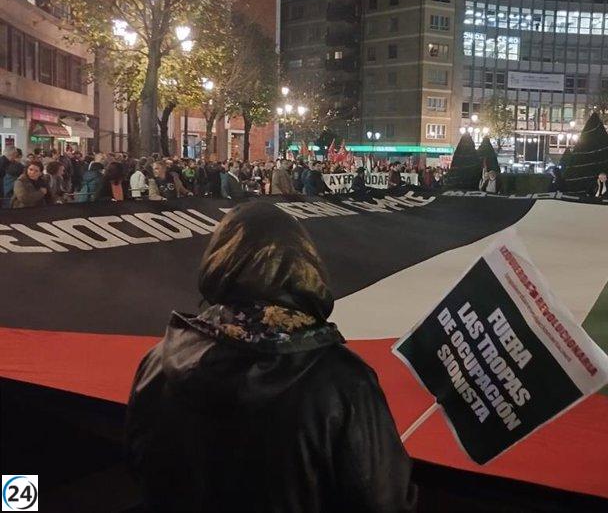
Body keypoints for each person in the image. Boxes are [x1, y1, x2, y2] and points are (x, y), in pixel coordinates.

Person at [126, 203, 416, 512]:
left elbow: (140, 466)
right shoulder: (345, 384)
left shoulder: (158, 362)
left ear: (220, 261)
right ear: (306, 267)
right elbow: (386, 502)